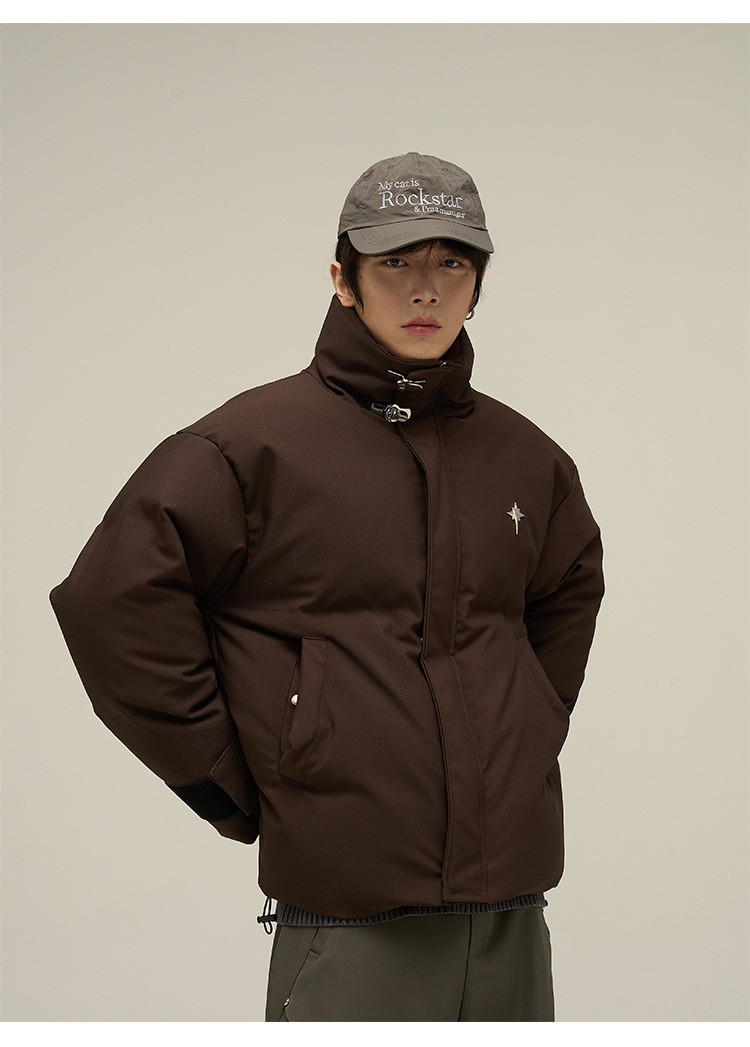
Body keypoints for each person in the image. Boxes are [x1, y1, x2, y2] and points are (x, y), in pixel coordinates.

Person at [50, 152, 604, 1022]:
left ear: (478, 283)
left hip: (511, 909)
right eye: (395, 262)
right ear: (342, 279)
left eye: (451, 262)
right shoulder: (250, 446)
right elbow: (111, 600)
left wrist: (525, 726)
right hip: (348, 915)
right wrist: (228, 776)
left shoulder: (528, 459)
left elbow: (568, 590)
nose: (425, 289)